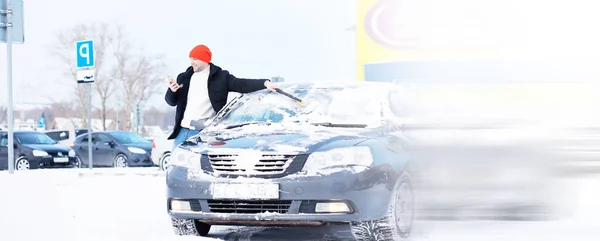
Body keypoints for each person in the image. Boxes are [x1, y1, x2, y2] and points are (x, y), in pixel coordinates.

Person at [165, 44, 279, 149]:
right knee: (174, 164)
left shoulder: (221, 77)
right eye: (190, 58)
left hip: (204, 132)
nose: (191, 62)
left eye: (195, 59)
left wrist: (264, 83)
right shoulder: (184, 77)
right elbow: (171, 102)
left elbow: (242, 84)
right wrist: (172, 91)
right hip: (183, 131)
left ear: (205, 59)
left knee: (198, 166)